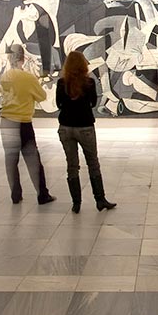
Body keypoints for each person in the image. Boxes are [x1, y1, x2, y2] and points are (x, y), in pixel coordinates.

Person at [56, 50, 116, 212]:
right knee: (93, 163)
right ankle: (100, 199)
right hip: (85, 126)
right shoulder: (89, 82)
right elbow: (93, 103)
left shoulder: (62, 83)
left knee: (72, 165)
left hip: (66, 127)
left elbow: (58, 104)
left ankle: (76, 203)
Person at [0, 44, 56, 205]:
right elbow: (42, 96)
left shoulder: (5, 77)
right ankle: (42, 194)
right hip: (23, 123)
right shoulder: (28, 78)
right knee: (33, 160)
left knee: (11, 160)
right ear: (23, 58)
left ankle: (15, 195)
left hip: (6, 122)